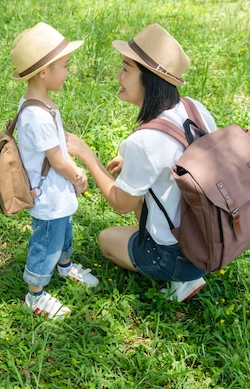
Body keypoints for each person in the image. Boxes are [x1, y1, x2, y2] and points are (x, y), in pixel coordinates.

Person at [66, 23, 217, 302]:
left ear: (149, 79)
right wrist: (132, 163)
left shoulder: (144, 142)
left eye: (126, 69)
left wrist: (88, 155)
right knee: (141, 197)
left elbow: (120, 204)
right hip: (210, 237)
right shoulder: (195, 108)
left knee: (106, 240)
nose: (117, 76)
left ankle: (181, 279)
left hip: (179, 254)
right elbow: (178, 159)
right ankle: (184, 268)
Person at [10, 22, 99, 319]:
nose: (68, 71)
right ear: (44, 72)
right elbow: (58, 160)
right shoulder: (35, 114)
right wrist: (77, 175)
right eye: (65, 65)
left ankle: (64, 266)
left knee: (65, 233)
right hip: (48, 198)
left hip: (57, 195)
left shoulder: (43, 104)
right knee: (47, 241)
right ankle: (35, 293)